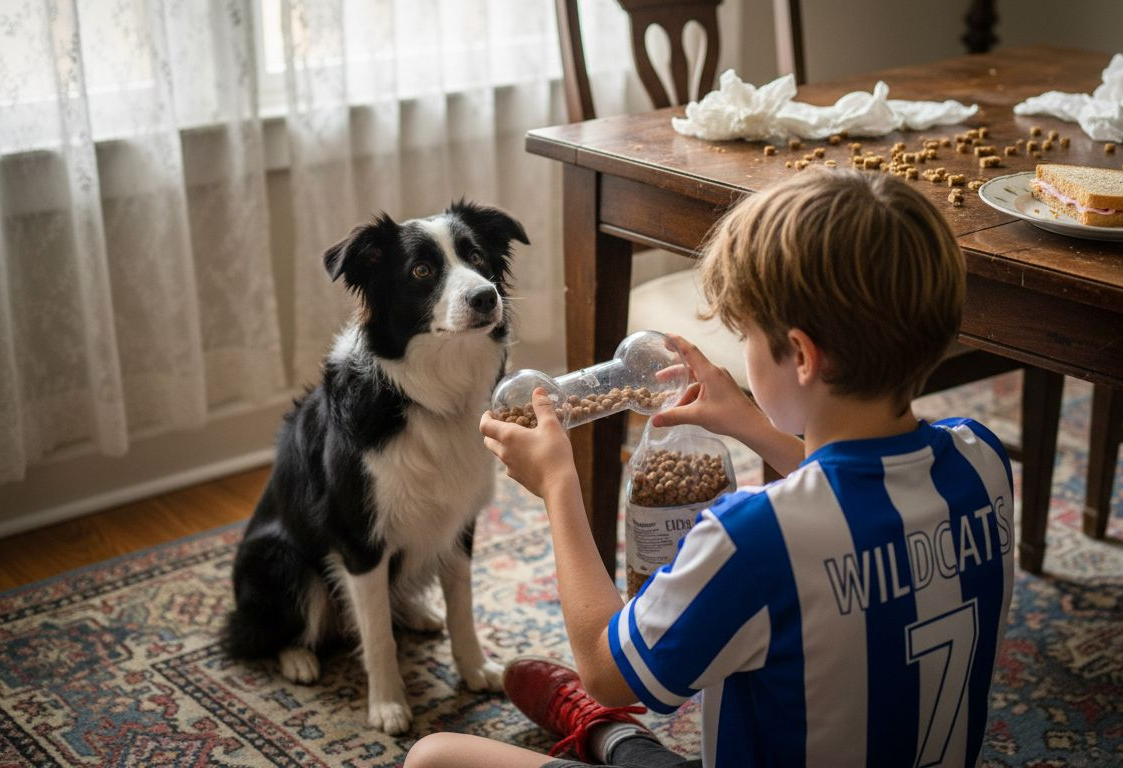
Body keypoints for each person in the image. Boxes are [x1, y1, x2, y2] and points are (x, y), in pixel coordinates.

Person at [405, 169, 1015, 768]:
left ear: (800, 355)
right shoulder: (982, 457)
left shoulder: (755, 535)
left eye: (744, 332)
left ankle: (614, 738)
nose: (743, 350)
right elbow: (865, 497)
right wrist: (752, 423)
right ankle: (618, 744)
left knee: (433, 756)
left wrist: (559, 486)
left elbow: (606, 670)